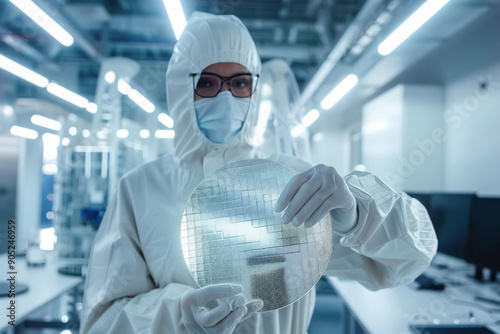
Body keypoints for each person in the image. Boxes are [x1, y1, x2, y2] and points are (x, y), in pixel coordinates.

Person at [81, 12, 437, 334]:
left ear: (254, 87)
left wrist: (360, 216)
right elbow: (101, 319)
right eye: (207, 83)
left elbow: (412, 258)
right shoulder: (141, 188)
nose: (226, 98)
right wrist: (175, 314)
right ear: (180, 89)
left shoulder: (293, 178)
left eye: (239, 83)